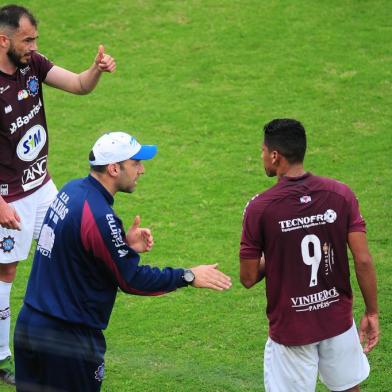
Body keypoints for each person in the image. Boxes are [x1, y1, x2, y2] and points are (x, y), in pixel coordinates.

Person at [13, 131, 232, 391]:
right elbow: (131, 280)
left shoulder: (72, 190)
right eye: (135, 163)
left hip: (30, 323)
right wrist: (188, 276)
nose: (142, 170)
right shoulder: (99, 216)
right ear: (114, 168)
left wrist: (123, 245)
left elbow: (74, 251)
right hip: (66, 340)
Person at [0, 4, 116, 384]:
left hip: (43, 185)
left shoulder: (32, 64)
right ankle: (2, 358)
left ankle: (72, 333)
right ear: (4, 40)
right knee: (7, 272)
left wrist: (95, 70)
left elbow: (80, 85)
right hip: (9, 197)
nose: (33, 46)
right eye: (27, 39)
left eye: (36, 39)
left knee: (70, 251)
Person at [239, 119, 379, 392]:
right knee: (350, 388)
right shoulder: (340, 194)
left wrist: (279, 253)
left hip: (292, 328)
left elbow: (247, 276)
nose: (262, 156)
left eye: (263, 151)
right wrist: (372, 311)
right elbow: (363, 260)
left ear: (275, 156)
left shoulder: (260, 208)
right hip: (337, 320)